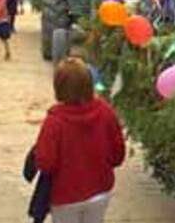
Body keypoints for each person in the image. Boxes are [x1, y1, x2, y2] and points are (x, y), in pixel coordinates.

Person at [33, 57, 125, 223]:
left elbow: (46, 163)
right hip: (100, 191)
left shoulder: (55, 121)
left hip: (65, 197)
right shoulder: (106, 112)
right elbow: (118, 154)